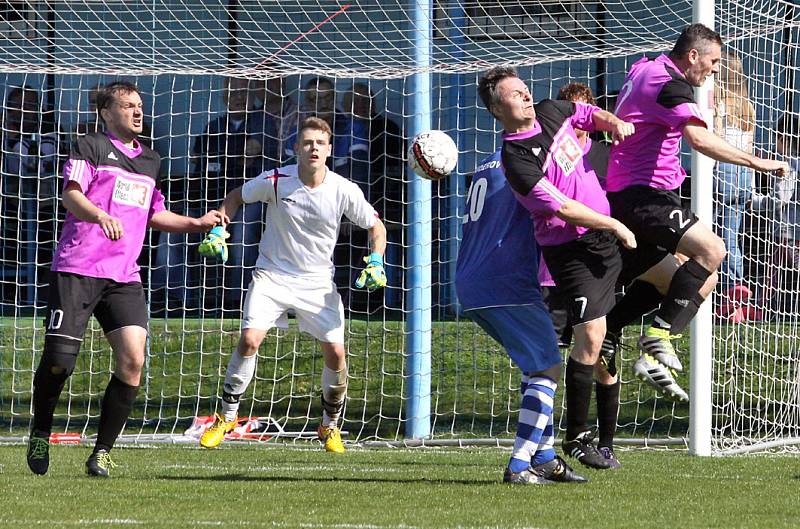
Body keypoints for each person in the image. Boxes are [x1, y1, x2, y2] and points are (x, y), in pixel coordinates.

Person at [25, 81, 226, 478]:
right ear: (106, 112)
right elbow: (71, 194)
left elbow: (154, 213)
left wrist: (196, 223)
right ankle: (40, 430)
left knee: (133, 360)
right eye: (128, 105)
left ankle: (101, 452)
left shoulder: (150, 159)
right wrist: (100, 215)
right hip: (78, 270)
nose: (138, 112)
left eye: (140, 106)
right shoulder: (90, 146)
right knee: (60, 364)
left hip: (123, 277)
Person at [606, 23, 788, 400]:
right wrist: (759, 163)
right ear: (693, 55)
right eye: (714, 60)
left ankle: (617, 333)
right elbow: (699, 139)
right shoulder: (671, 84)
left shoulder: (644, 67)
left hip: (640, 195)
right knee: (714, 249)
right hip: (642, 196)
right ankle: (656, 339)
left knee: (699, 279)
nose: (716, 69)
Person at [477, 66, 636, 470]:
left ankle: (660, 332)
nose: (527, 96)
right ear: (498, 109)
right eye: (515, 94)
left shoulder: (551, 110)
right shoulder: (516, 161)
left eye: (525, 89)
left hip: (607, 238)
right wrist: (615, 223)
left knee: (684, 262)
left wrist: (612, 120)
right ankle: (573, 440)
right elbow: (561, 208)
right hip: (573, 248)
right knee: (582, 342)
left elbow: (587, 115)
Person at [197, 117, 387, 454]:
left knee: (337, 353)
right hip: (271, 275)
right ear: (296, 148)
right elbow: (237, 196)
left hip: (316, 284)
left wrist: (376, 260)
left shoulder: (344, 189)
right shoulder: (275, 179)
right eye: (307, 142)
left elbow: (376, 226)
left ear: (329, 150)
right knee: (249, 340)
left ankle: (329, 426)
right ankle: (226, 417)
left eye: (320, 143)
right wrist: (218, 230)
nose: (314, 148)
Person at [456, 148, 587, 484]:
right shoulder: (525, 161)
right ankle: (519, 464)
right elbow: (560, 209)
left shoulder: (489, 162)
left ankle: (543, 457)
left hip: (472, 278)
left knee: (537, 365)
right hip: (507, 280)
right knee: (548, 367)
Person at [539, 81, 621, 468]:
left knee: (603, 355)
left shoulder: (605, 157)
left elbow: (614, 203)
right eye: (571, 111)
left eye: (583, 112)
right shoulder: (547, 157)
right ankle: (545, 438)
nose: (578, 120)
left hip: (598, 264)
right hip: (554, 274)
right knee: (548, 362)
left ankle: (605, 443)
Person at [189, 76, 272, 312]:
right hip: (213, 195)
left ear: (251, 96)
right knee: (177, 233)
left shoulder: (262, 121)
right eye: (232, 94)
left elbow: (249, 159)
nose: (237, 98)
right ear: (224, 98)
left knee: (243, 231)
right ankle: (180, 299)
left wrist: (235, 158)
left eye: (242, 93)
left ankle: (238, 300)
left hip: (251, 198)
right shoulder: (213, 127)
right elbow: (201, 163)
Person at [713, 50, 757, 322]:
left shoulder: (719, 102)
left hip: (724, 170)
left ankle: (728, 289)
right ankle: (736, 300)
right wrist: (751, 185)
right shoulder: (747, 106)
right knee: (733, 235)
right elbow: (750, 148)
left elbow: (715, 138)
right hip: (744, 174)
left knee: (716, 235)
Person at [752, 114, 800, 317]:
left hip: (789, 228)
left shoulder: (789, 165)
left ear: (785, 139)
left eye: (776, 138)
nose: (774, 144)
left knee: (778, 266)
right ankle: (761, 306)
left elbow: (780, 198)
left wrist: (753, 201)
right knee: (773, 265)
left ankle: (761, 307)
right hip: (790, 229)